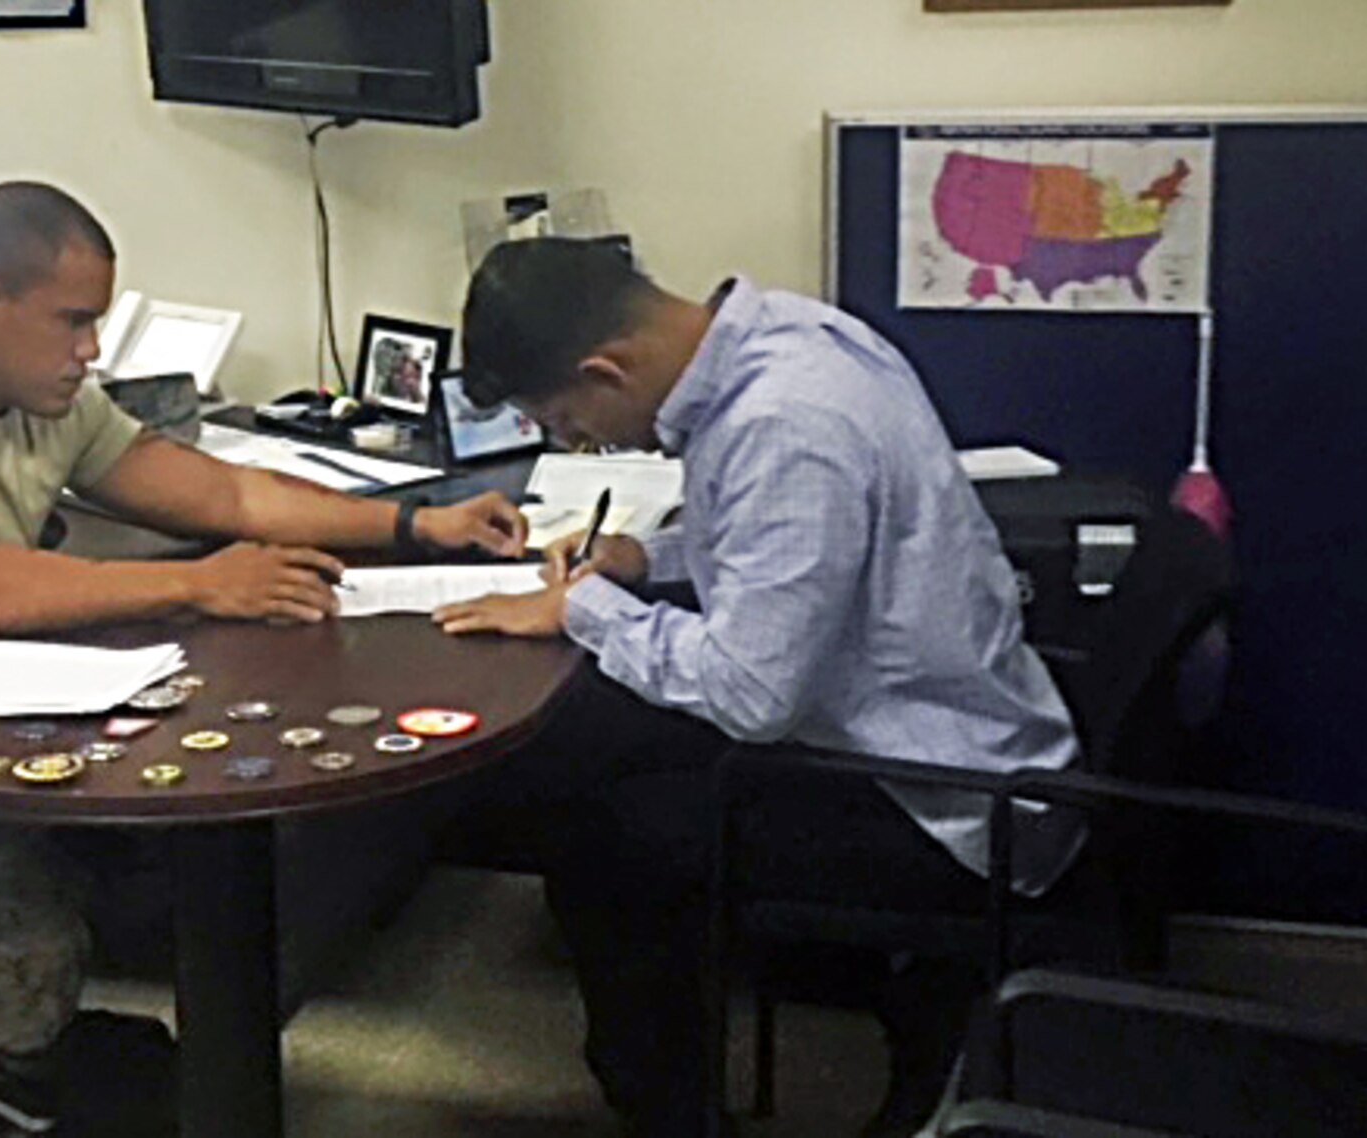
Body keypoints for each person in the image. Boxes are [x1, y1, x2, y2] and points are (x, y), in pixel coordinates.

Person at [0, 182, 527, 1116]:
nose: (91, 350)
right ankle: (30, 1090)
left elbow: (230, 499)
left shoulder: (49, 401)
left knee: (219, 798)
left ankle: (169, 1071)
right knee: (16, 911)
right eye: (72, 322)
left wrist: (419, 525)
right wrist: (198, 581)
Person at [432, 238, 1080, 1137]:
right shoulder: (788, 333)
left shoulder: (781, 426)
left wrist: (582, 610)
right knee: (598, 742)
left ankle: (669, 1116)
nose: (577, 442)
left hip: (944, 803)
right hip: (945, 729)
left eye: (566, 421)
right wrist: (640, 559)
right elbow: (777, 543)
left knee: (606, 839)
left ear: (605, 370)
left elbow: (751, 696)